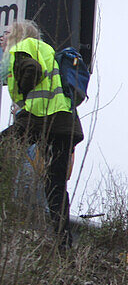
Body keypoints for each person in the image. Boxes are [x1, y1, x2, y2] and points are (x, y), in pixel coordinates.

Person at [1, 20, 84, 246]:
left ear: (17, 34)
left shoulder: (23, 47)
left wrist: (26, 95)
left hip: (40, 119)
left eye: (6, 33)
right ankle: (63, 241)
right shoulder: (45, 49)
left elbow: (32, 70)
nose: (2, 37)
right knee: (55, 185)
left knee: (3, 147)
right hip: (66, 124)